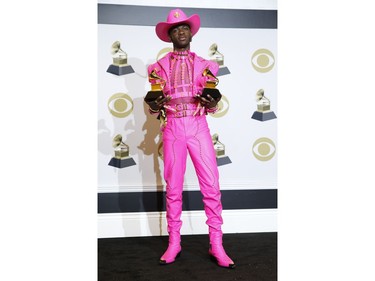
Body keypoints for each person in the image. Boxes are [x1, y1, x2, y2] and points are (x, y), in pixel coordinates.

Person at [144, 8, 235, 269]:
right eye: (175, 29)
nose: (181, 31)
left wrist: (211, 101)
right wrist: (155, 103)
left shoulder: (208, 66)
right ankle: (174, 242)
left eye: (184, 27)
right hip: (172, 127)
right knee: (173, 188)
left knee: (211, 185)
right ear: (169, 35)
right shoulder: (157, 68)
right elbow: (154, 108)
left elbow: (211, 106)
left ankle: (216, 244)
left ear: (191, 33)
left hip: (198, 126)